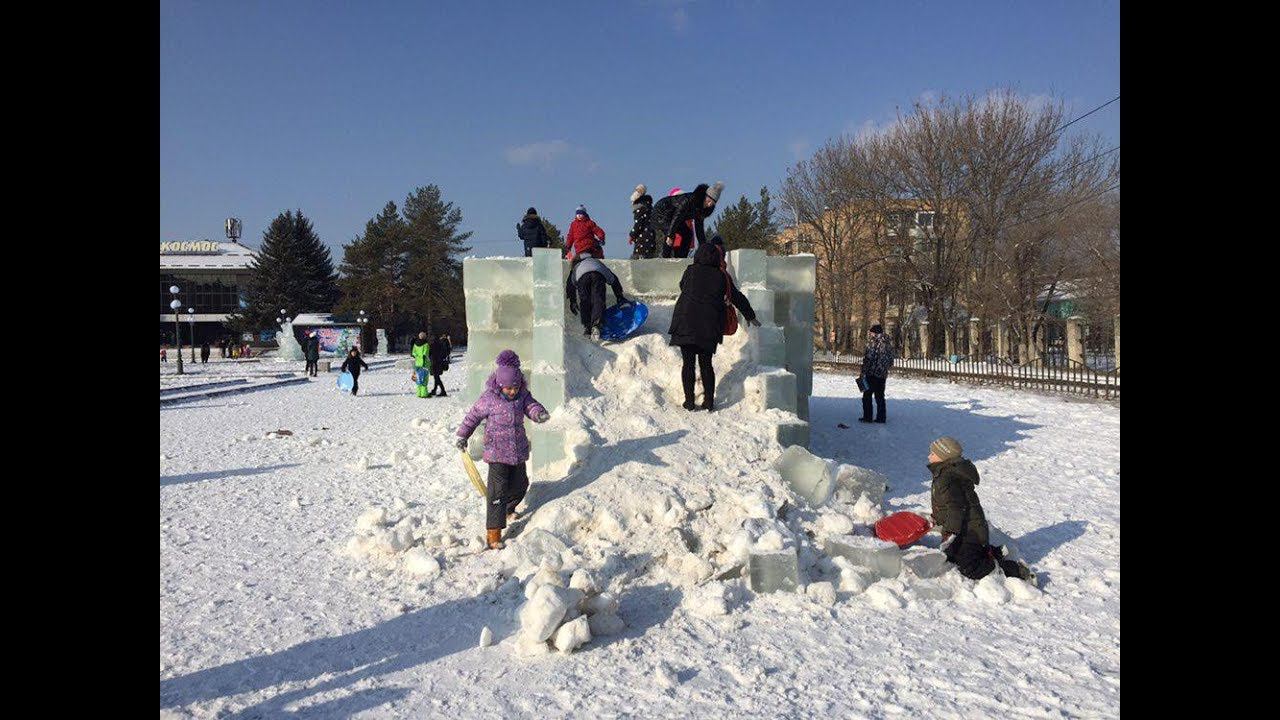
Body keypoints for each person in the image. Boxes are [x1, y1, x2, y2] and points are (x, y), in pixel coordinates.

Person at [455, 350, 550, 550]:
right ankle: (494, 533)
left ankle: (508, 509)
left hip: (517, 452)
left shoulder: (522, 395)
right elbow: (473, 416)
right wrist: (463, 435)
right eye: (508, 388)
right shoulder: (489, 398)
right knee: (497, 493)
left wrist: (538, 413)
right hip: (497, 453)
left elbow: (531, 406)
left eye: (515, 387)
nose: (512, 391)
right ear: (499, 385)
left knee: (520, 485)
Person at [928, 437, 1037, 584]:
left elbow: (956, 508)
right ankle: (994, 552)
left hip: (970, 531)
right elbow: (947, 504)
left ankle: (1014, 570)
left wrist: (950, 532)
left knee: (969, 568)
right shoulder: (947, 472)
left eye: (933, 454)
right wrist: (938, 518)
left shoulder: (947, 477)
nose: (929, 456)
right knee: (951, 556)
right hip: (965, 528)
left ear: (944, 456)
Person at [668, 242, 760, 411]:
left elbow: (682, 286)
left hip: (685, 322)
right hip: (709, 325)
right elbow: (736, 296)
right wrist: (750, 315)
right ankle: (709, 401)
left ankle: (689, 401)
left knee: (688, 364)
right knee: (706, 364)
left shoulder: (690, 271)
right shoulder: (721, 275)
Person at [651, 182, 723, 259]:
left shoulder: (702, 210)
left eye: (712, 203)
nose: (709, 204)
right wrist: (670, 235)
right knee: (670, 232)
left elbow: (699, 229)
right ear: (704, 196)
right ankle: (665, 257)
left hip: (674, 217)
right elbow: (677, 216)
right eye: (708, 201)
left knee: (688, 233)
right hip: (661, 212)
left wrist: (703, 248)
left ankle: (681, 257)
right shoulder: (688, 200)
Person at [566, 255, 629, 338]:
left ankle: (588, 328)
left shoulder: (576, 267)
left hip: (582, 278)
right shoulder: (597, 262)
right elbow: (614, 280)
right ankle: (597, 324)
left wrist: (572, 301)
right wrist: (619, 296)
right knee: (598, 299)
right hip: (598, 276)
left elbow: (570, 285)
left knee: (585, 302)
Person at [858, 324, 894, 423]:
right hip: (881, 375)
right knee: (879, 397)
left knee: (867, 396)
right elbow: (891, 361)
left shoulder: (874, 343)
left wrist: (864, 371)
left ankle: (868, 417)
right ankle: (881, 418)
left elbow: (868, 359)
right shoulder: (887, 343)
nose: (870, 334)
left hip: (872, 374)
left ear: (875, 332)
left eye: (871, 332)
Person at [628, 184, 657, 259]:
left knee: (639, 262)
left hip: (643, 240)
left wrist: (632, 235)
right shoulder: (650, 207)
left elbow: (638, 224)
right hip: (651, 238)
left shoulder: (640, 208)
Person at [411, 331, 432, 398]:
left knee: (418, 378)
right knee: (425, 379)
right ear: (425, 337)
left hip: (417, 363)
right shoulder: (426, 344)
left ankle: (418, 393)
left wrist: (417, 357)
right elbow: (426, 354)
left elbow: (413, 353)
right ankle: (424, 393)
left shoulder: (415, 344)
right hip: (425, 364)